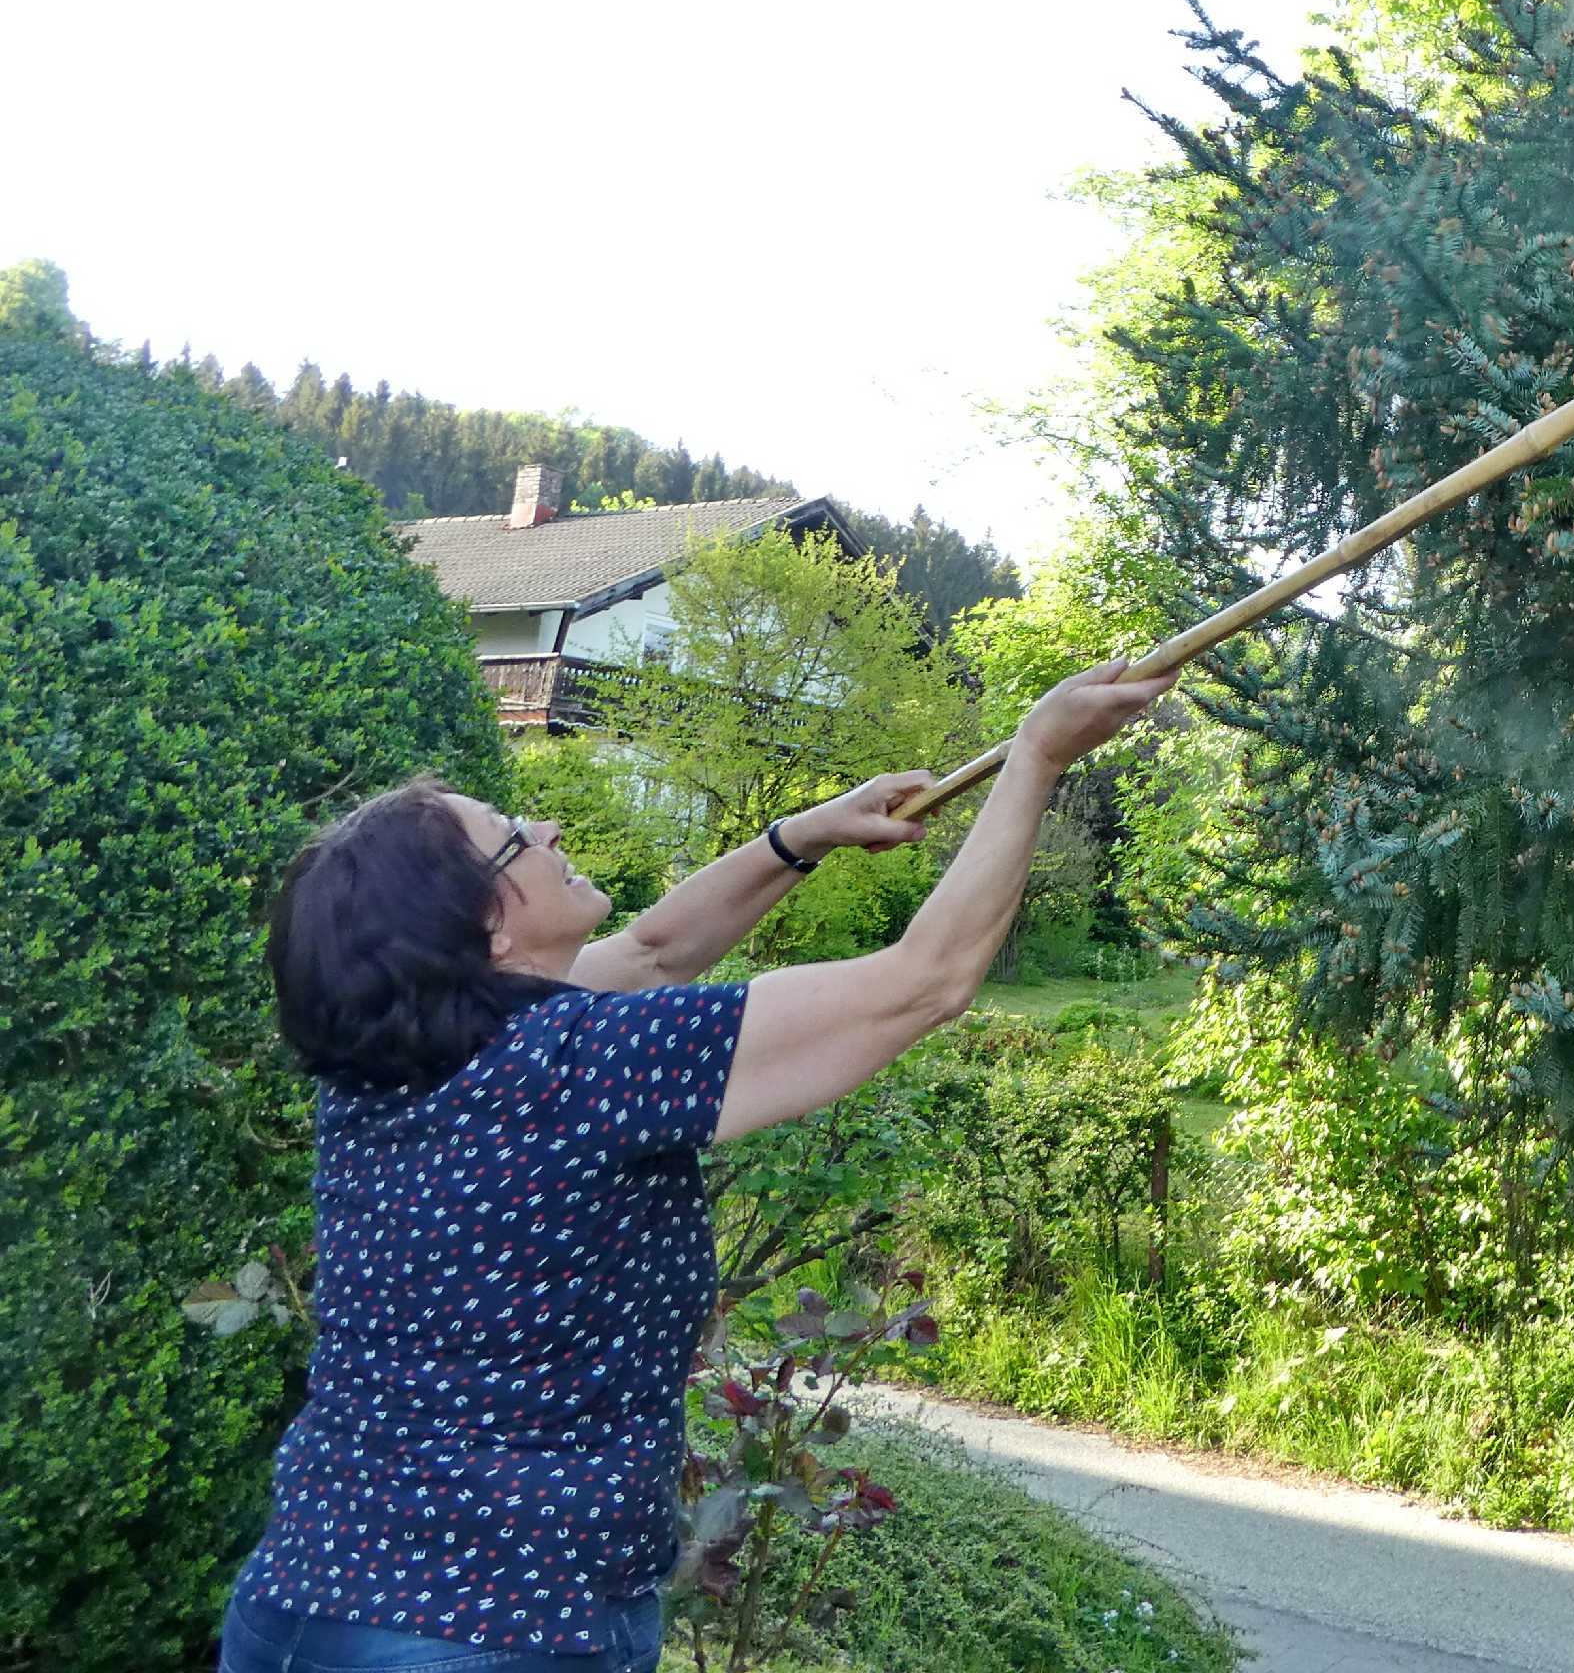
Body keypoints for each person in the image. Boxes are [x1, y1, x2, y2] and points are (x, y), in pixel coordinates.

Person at [215, 656, 1174, 1673]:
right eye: (515, 836)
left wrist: (797, 839)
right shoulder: (582, 1066)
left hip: (298, 1607)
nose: (548, 828)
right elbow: (921, 983)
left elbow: (654, 953)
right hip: (491, 1630)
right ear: (486, 926)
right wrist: (1036, 759)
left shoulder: (392, 1065)